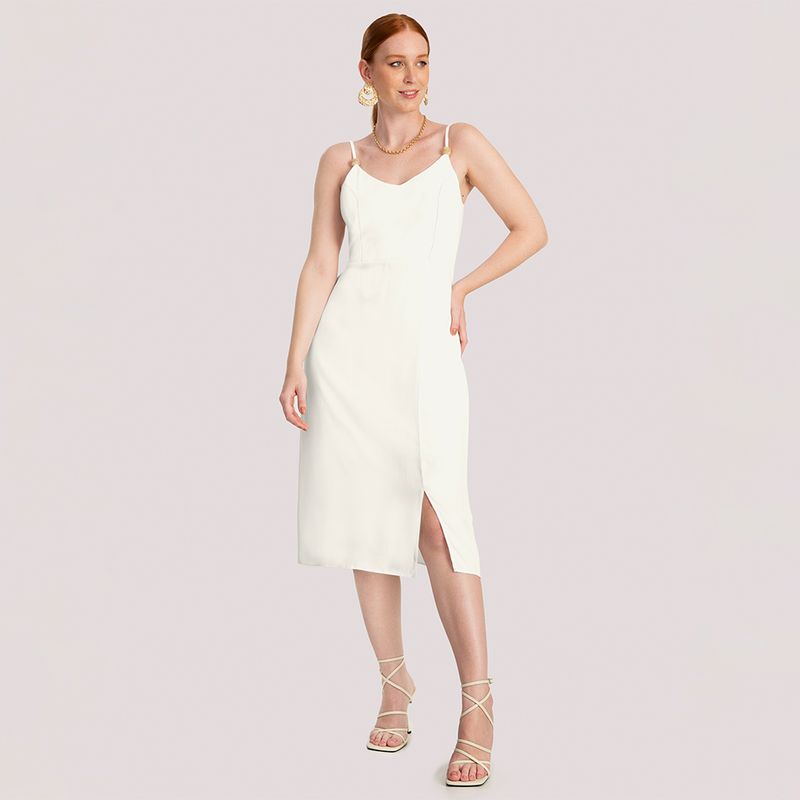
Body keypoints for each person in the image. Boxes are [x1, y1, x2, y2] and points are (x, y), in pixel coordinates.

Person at [280, 12, 547, 787]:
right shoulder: (341, 159)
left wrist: (461, 287)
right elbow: (321, 263)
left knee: (437, 521)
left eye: (422, 62)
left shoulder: (459, 144)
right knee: (368, 522)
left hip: (425, 355)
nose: (412, 76)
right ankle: (395, 686)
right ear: (365, 72)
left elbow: (530, 228)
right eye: (395, 63)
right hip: (347, 356)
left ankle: (478, 706)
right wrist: (295, 360)